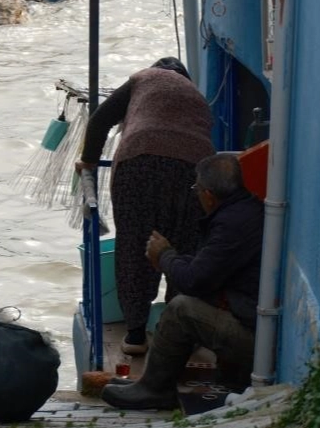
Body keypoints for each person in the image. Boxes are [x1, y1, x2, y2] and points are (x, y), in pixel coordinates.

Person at [101, 153, 265, 410]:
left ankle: (155, 389)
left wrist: (165, 256)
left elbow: (193, 280)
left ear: (208, 195)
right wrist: (171, 259)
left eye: (196, 189)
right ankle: (153, 381)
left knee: (181, 309)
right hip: (252, 322)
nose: (196, 195)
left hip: (253, 337)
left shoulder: (232, 223)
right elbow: (205, 267)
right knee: (187, 300)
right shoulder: (243, 211)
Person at [76, 57, 215, 354]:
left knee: (134, 245)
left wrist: (89, 159)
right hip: (193, 170)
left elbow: (100, 119)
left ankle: (136, 336)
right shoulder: (197, 96)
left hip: (139, 162)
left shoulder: (143, 78)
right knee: (185, 246)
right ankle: (177, 335)